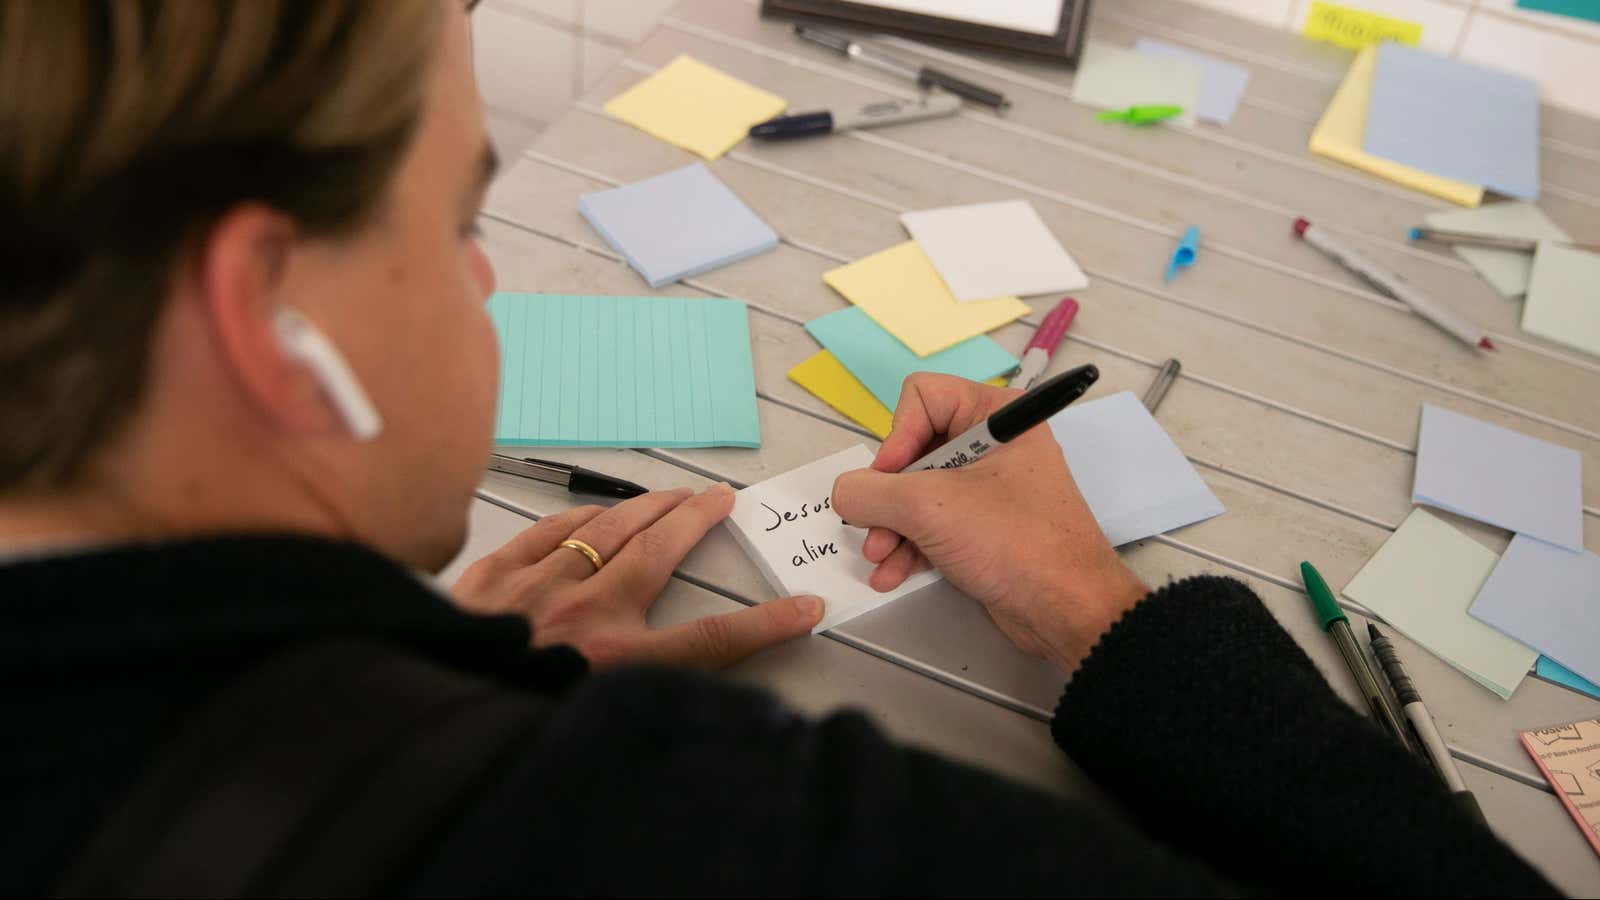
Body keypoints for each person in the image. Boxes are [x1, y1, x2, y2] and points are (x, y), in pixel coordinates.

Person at [0, 1, 1555, 896]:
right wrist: (1102, 617)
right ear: (274, 321)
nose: (482, 276)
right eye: (459, 217)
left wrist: (373, 678)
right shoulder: (733, 842)